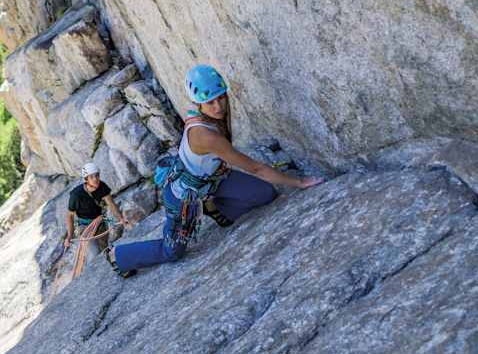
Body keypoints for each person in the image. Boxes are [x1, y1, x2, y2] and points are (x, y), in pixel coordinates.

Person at [107, 64, 323, 276]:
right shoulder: (207, 135)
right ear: (199, 103)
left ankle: (212, 206)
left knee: (265, 193)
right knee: (172, 251)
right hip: (183, 198)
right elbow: (256, 168)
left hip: (212, 181)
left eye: (221, 98)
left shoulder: (204, 117)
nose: (218, 106)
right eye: (210, 102)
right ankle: (118, 255)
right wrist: (299, 183)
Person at [65, 162, 129, 254]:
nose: (95, 179)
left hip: (99, 223)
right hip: (84, 227)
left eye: (97, 175)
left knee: (105, 249)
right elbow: (69, 216)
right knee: (94, 253)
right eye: (91, 177)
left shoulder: (102, 187)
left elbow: (111, 204)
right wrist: (69, 236)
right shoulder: (76, 195)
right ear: (86, 179)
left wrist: (121, 219)